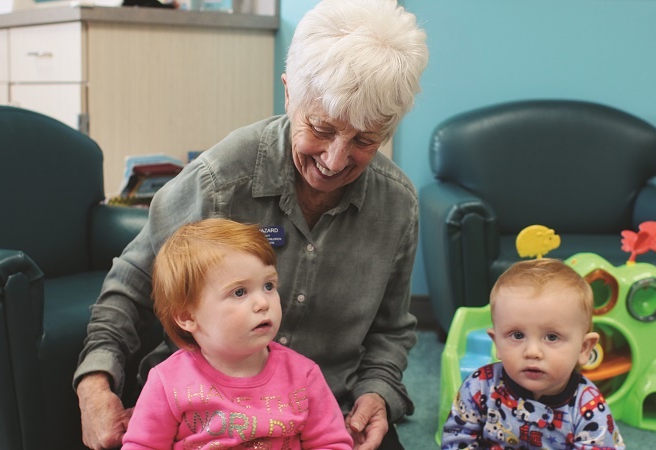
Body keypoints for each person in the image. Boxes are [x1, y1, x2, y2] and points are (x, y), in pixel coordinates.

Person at [74, 0, 429, 449]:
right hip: (203, 414)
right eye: (320, 128)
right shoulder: (221, 179)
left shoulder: (396, 203)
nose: (335, 160)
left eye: (364, 139)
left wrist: (379, 393)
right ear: (288, 94)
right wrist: (95, 384)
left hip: (329, 417)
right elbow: (133, 283)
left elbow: (391, 330)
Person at [121, 219, 353, 449]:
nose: (263, 302)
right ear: (188, 317)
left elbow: (331, 443)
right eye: (240, 292)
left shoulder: (304, 375)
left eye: (269, 286)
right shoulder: (167, 382)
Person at [441, 258, 626, 449]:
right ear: (497, 343)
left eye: (552, 337)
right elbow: (458, 438)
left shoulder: (589, 406)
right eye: (517, 335)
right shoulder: (479, 387)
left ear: (584, 348)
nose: (532, 352)